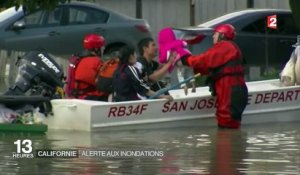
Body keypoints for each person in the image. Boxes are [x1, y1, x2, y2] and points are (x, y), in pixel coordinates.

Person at [181, 24, 248, 129]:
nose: (213, 36)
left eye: (215, 34)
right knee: (231, 124)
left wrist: (186, 59)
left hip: (230, 90)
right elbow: (208, 67)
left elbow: (204, 60)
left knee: (226, 123)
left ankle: (227, 144)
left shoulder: (224, 46)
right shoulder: (231, 47)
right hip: (235, 89)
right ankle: (234, 144)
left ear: (222, 35)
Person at [74, 33, 109, 101]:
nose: (103, 48)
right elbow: (102, 84)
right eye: (102, 47)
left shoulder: (81, 59)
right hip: (92, 97)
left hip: (79, 95)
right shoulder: (97, 61)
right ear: (96, 49)